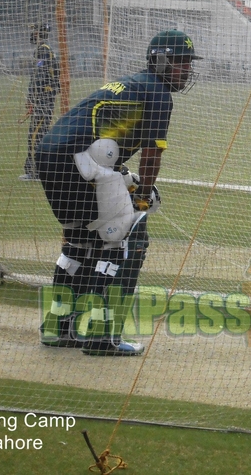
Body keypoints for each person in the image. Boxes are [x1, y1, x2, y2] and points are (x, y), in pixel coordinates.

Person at [35, 29, 201, 355]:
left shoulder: (132, 84)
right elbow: (153, 153)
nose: (187, 70)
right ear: (162, 62)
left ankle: (58, 328)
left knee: (79, 243)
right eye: (182, 63)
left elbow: (100, 140)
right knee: (126, 240)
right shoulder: (157, 93)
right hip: (81, 162)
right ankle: (102, 336)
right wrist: (144, 193)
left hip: (51, 157)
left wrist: (125, 178)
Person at [21, 23, 60, 181]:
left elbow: (41, 75)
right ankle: (34, 170)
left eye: (34, 32)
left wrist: (31, 96)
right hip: (44, 99)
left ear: (39, 33)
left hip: (44, 99)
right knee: (37, 134)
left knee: (36, 135)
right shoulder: (44, 49)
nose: (32, 35)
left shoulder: (43, 50)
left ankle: (36, 171)